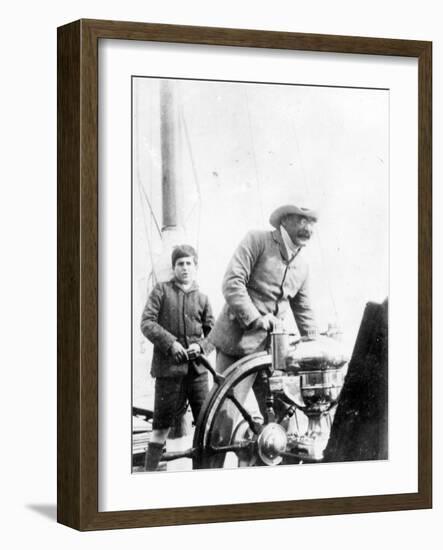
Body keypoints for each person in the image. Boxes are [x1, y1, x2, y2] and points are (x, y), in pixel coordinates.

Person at [209, 204, 319, 401]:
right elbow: (232, 283)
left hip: (273, 353)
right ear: (284, 220)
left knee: (284, 416)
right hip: (237, 346)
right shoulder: (257, 240)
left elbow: (304, 311)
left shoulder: (303, 266)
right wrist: (256, 319)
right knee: (224, 418)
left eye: (312, 222)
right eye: (303, 220)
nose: (309, 228)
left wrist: (315, 344)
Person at [140, 244, 214, 472]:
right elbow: (147, 323)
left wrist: (199, 347)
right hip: (168, 373)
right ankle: (148, 476)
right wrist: (170, 343)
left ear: (196, 267)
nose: (184, 268)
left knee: (206, 425)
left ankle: (203, 476)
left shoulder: (203, 299)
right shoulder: (161, 291)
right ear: (174, 268)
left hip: (197, 375)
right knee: (160, 428)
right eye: (180, 264)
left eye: (188, 263)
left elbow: (214, 335)